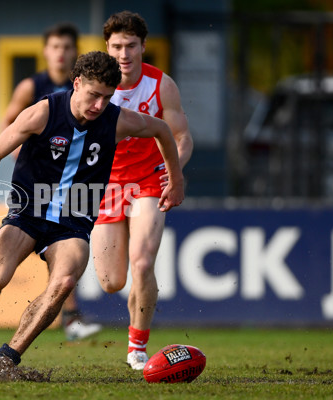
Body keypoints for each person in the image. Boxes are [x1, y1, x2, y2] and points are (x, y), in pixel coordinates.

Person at [0, 51, 184, 368]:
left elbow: (162, 129)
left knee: (65, 282)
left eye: (107, 98)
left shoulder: (116, 120)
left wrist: (174, 181)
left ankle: (7, 359)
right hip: (27, 214)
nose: (99, 106)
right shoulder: (43, 112)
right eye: (93, 96)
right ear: (77, 84)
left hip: (73, 224)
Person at [91, 11, 194, 370]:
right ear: (107, 47)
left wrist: (173, 170)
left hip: (149, 182)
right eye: (117, 46)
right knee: (110, 281)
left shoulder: (160, 84)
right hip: (105, 186)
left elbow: (181, 137)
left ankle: (137, 347)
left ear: (143, 47)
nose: (124, 53)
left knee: (143, 262)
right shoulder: (95, 85)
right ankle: (135, 341)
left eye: (131, 45)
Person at [0, 22, 101, 341]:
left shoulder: (90, 90)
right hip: (36, 188)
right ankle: (70, 318)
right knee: (0, 274)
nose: (61, 54)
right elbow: (9, 125)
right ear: (46, 52)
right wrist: (24, 157)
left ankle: (70, 318)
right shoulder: (32, 87)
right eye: (55, 47)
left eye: (67, 48)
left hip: (74, 188)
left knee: (64, 254)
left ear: (75, 52)